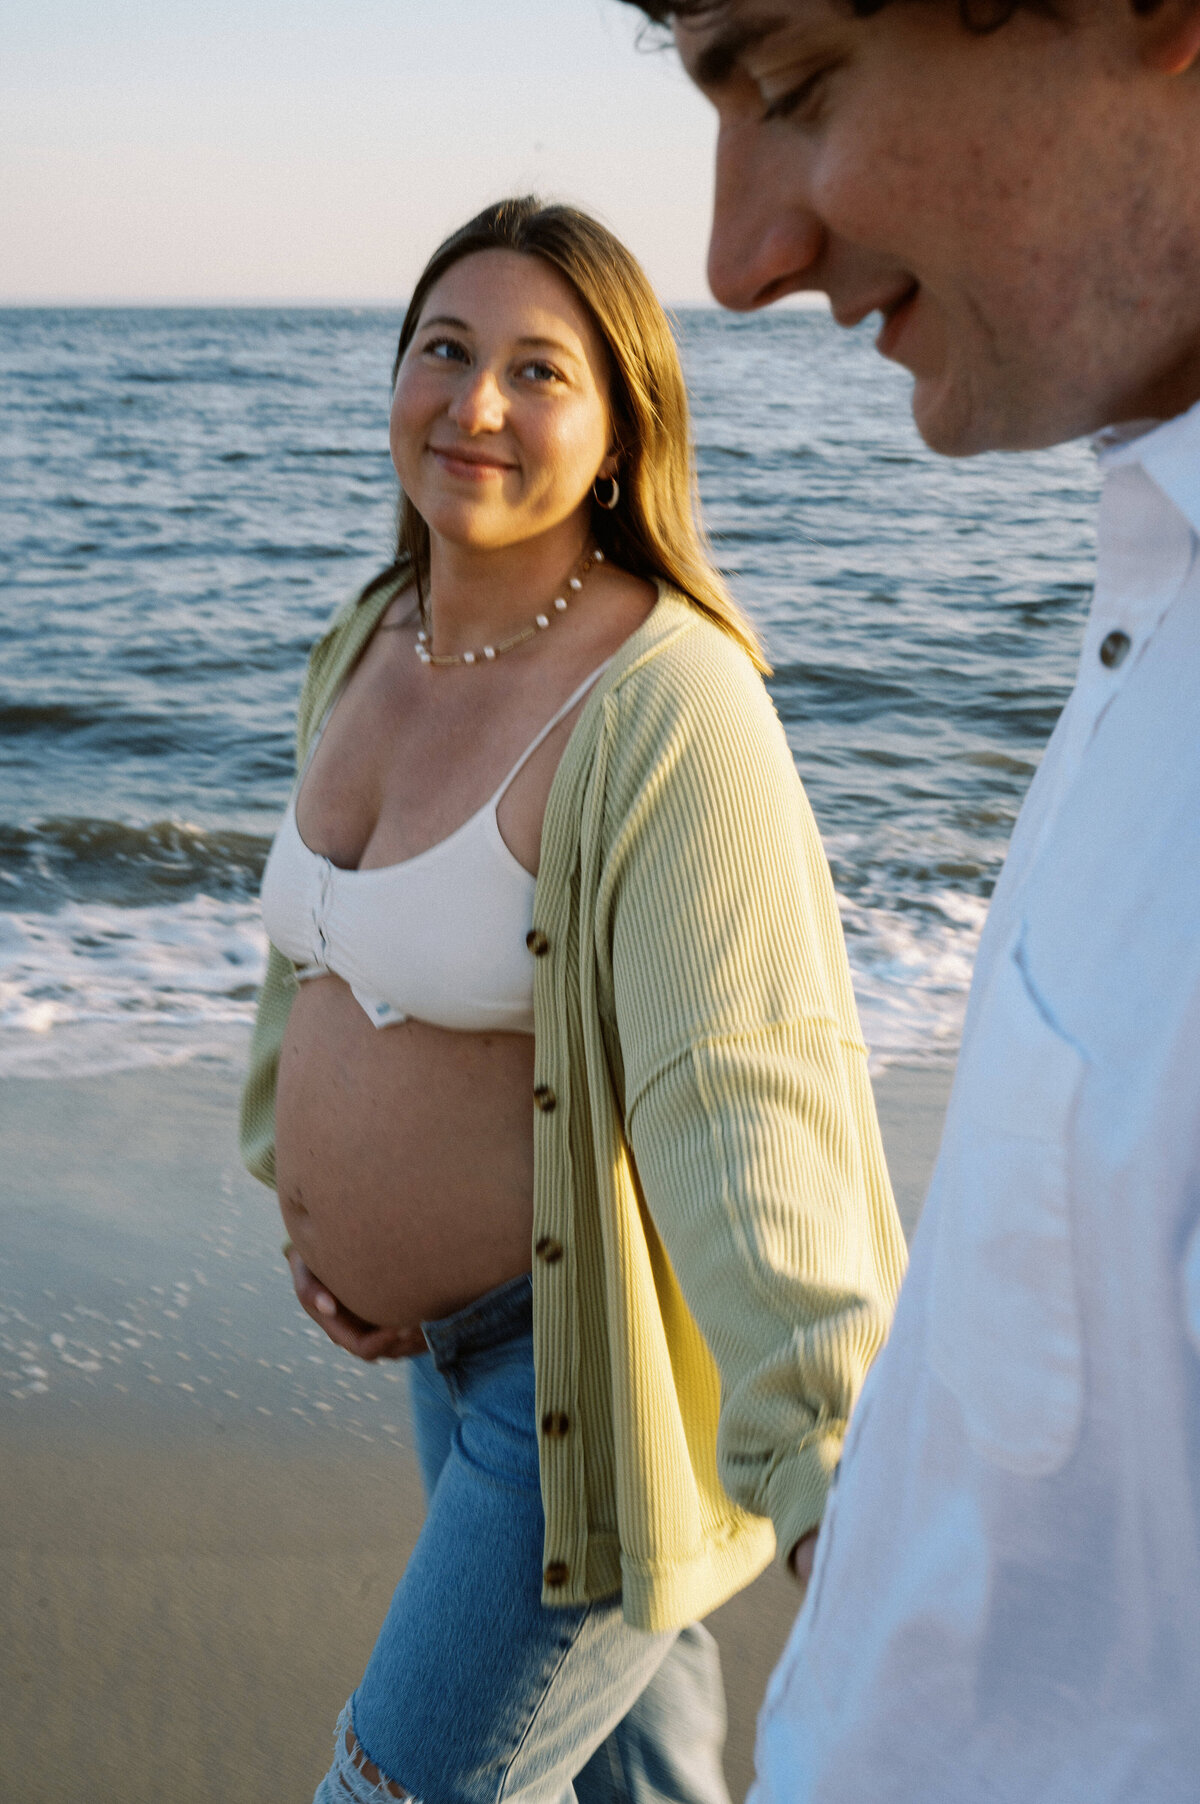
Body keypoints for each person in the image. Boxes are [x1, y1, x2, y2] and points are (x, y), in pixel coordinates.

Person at [239, 195, 906, 1804]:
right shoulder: (370, 637)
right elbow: (315, 956)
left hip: (580, 1390)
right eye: (443, 350)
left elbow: (746, 1086)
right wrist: (309, 1201)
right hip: (438, 1351)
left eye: (539, 371)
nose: (473, 404)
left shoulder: (669, 703)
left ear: (619, 431)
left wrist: (844, 1486)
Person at [615, 0, 1200, 1796]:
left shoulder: (672, 694)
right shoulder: (1155, 594)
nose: (734, 260)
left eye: (791, 83)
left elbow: (743, 1075)